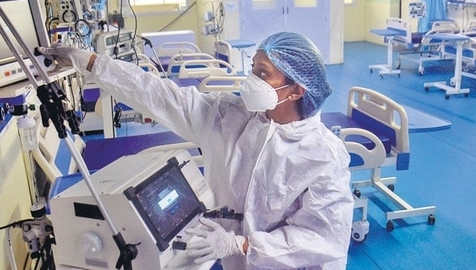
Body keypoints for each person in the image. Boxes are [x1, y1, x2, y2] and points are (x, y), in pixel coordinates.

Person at [39, 32, 354, 269]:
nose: (251, 80)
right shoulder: (232, 117)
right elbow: (160, 95)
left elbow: (322, 238)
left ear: (296, 90)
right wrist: (91, 63)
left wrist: (241, 244)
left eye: (263, 73)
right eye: (253, 68)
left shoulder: (323, 155)